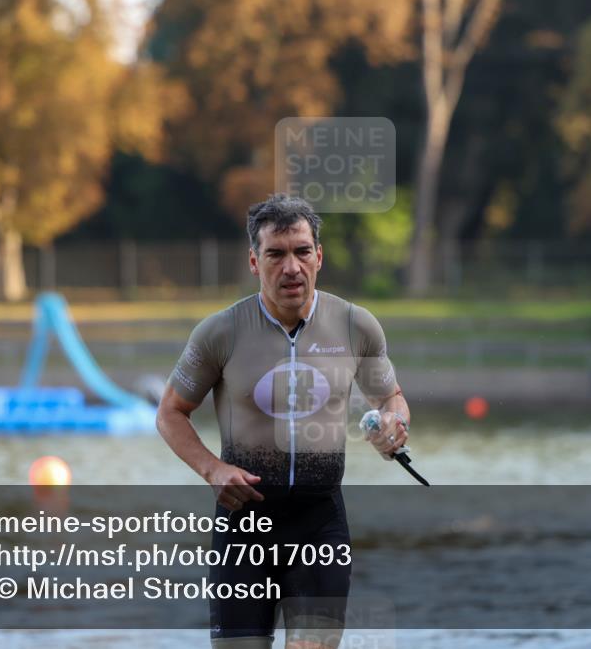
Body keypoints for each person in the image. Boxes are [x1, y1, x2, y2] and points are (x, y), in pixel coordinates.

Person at [156, 193, 411, 649]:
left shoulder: (356, 325)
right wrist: (213, 469)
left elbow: (390, 397)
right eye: (276, 254)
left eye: (301, 251)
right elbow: (170, 412)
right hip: (244, 526)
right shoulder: (221, 332)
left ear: (319, 257)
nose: (291, 266)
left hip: (320, 523)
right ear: (255, 262)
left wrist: (393, 424)